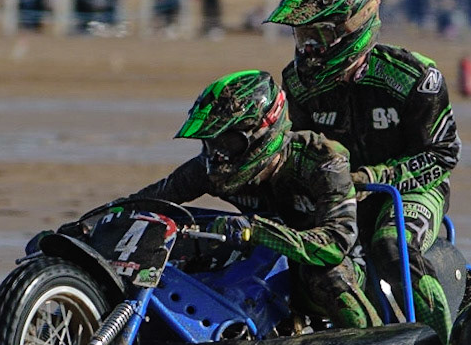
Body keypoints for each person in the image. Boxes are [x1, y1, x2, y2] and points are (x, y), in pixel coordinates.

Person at [267, 0, 461, 341]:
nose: (308, 49)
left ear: (353, 31)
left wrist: (375, 178)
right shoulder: (294, 82)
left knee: (391, 247)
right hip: (340, 195)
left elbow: (443, 155)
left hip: (412, 190)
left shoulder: (414, 77)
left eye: (319, 36)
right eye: (302, 35)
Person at [120, 71, 379, 330]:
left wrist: (255, 231)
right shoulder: (211, 167)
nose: (217, 154)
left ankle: (373, 343)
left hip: (331, 267)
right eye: (209, 142)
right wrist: (89, 229)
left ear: (262, 132)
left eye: (227, 141)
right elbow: (147, 202)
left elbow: (336, 243)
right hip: (262, 263)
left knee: (329, 275)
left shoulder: (323, 161)